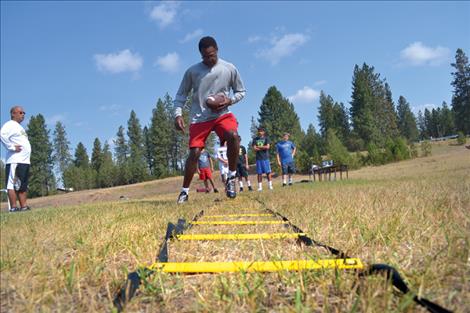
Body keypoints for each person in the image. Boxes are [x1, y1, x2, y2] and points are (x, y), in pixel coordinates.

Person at [173, 36, 246, 203]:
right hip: (200, 117)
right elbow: (181, 95)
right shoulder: (192, 72)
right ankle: (184, 191)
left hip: (221, 114)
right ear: (200, 54)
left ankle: (231, 179)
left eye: (212, 55)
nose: (209, 59)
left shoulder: (229, 68)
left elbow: (241, 91)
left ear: (217, 50)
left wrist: (229, 100)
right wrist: (177, 114)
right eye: (205, 56)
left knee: (233, 136)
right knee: (195, 153)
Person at [1, 106, 31, 212]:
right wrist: (12, 147)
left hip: (24, 161)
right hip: (15, 160)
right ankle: (13, 207)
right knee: (12, 184)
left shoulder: (19, 127)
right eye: (20, 112)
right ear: (13, 114)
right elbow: (2, 135)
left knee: (22, 184)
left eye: (24, 113)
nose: (23, 114)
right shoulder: (9, 125)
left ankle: (24, 206)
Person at [252, 127, 273, 191]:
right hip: (258, 158)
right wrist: (262, 147)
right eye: (259, 131)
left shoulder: (266, 138)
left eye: (261, 131)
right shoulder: (255, 139)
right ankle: (260, 187)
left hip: (265, 158)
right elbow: (254, 148)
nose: (260, 132)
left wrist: (259, 147)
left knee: (268, 172)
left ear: (263, 132)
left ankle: (270, 186)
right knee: (259, 173)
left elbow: (267, 147)